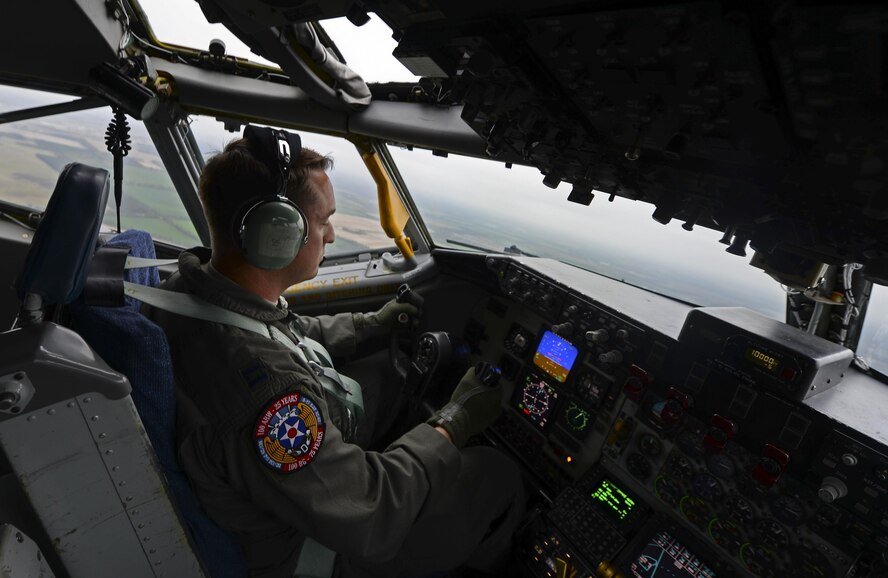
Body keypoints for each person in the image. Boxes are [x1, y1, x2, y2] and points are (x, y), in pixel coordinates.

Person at [145, 126, 524, 578]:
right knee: (495, 474)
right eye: (323, 221)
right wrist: (453, 421)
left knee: (388, 370)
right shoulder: (272, 399)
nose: (331, 234)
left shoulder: (192, 288)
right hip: (309, 554)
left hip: (255, 483)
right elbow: (373, 512)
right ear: (276, 233)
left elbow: (282, 331)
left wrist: (369, 325)